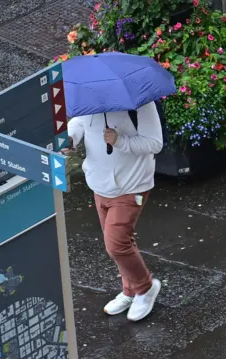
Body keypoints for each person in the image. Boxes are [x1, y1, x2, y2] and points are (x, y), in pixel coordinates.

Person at [61, 101, 163, 322]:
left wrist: (120, 141)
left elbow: (155, 143)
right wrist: (71, 138)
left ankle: (145, 287)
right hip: (99, 184)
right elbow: (80, 122)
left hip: (131, 185)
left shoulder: (140, 103)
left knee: (116, 245)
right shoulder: (90, 99)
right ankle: (130, 290)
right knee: (121, 243)